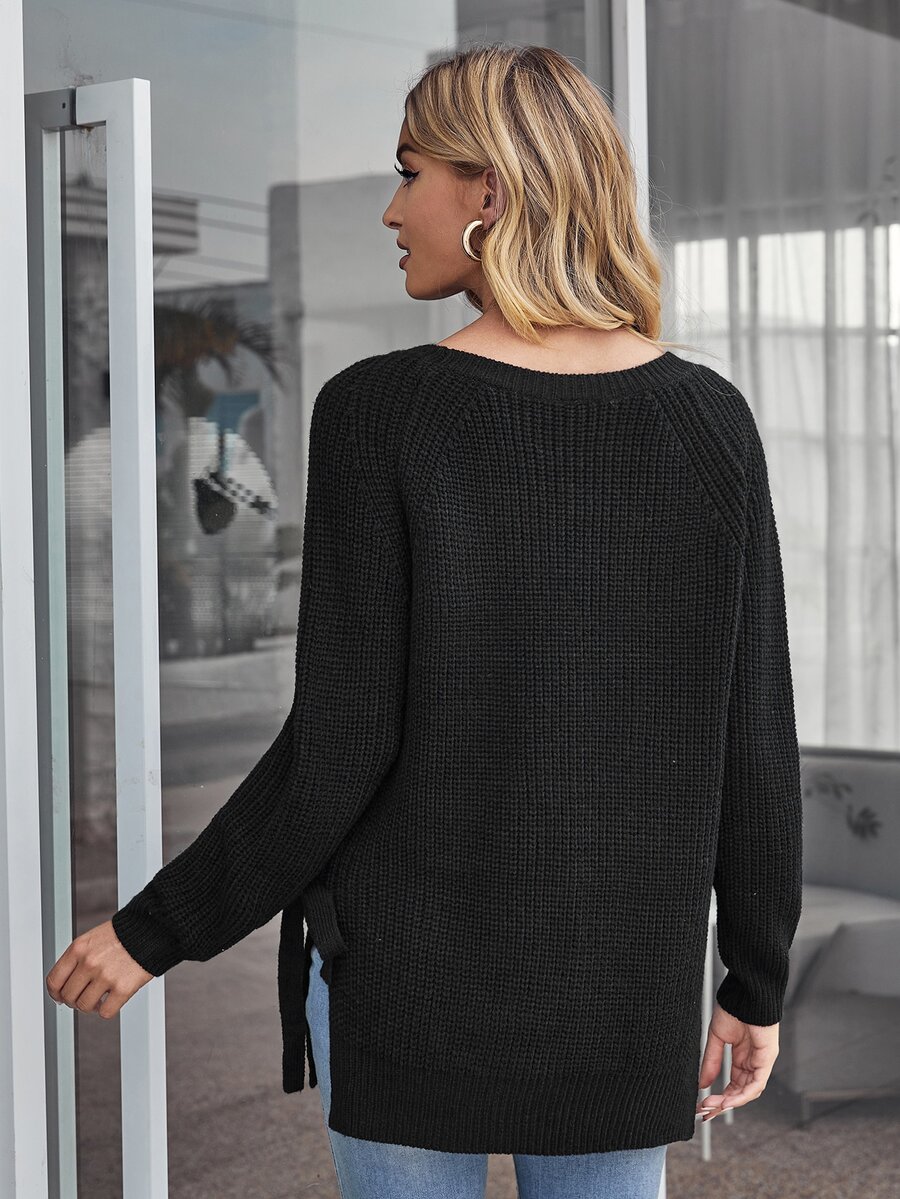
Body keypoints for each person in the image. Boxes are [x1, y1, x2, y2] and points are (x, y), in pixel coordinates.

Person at [46, 43, 803, 1198]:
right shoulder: (710, 422)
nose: (393, 211)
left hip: (406, 983)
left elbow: (340, 747)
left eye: (411, 173)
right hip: (622, 987)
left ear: (489, 190)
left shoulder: (382, 413)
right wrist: (755, 981)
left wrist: (152, 930)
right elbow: (757, 740)